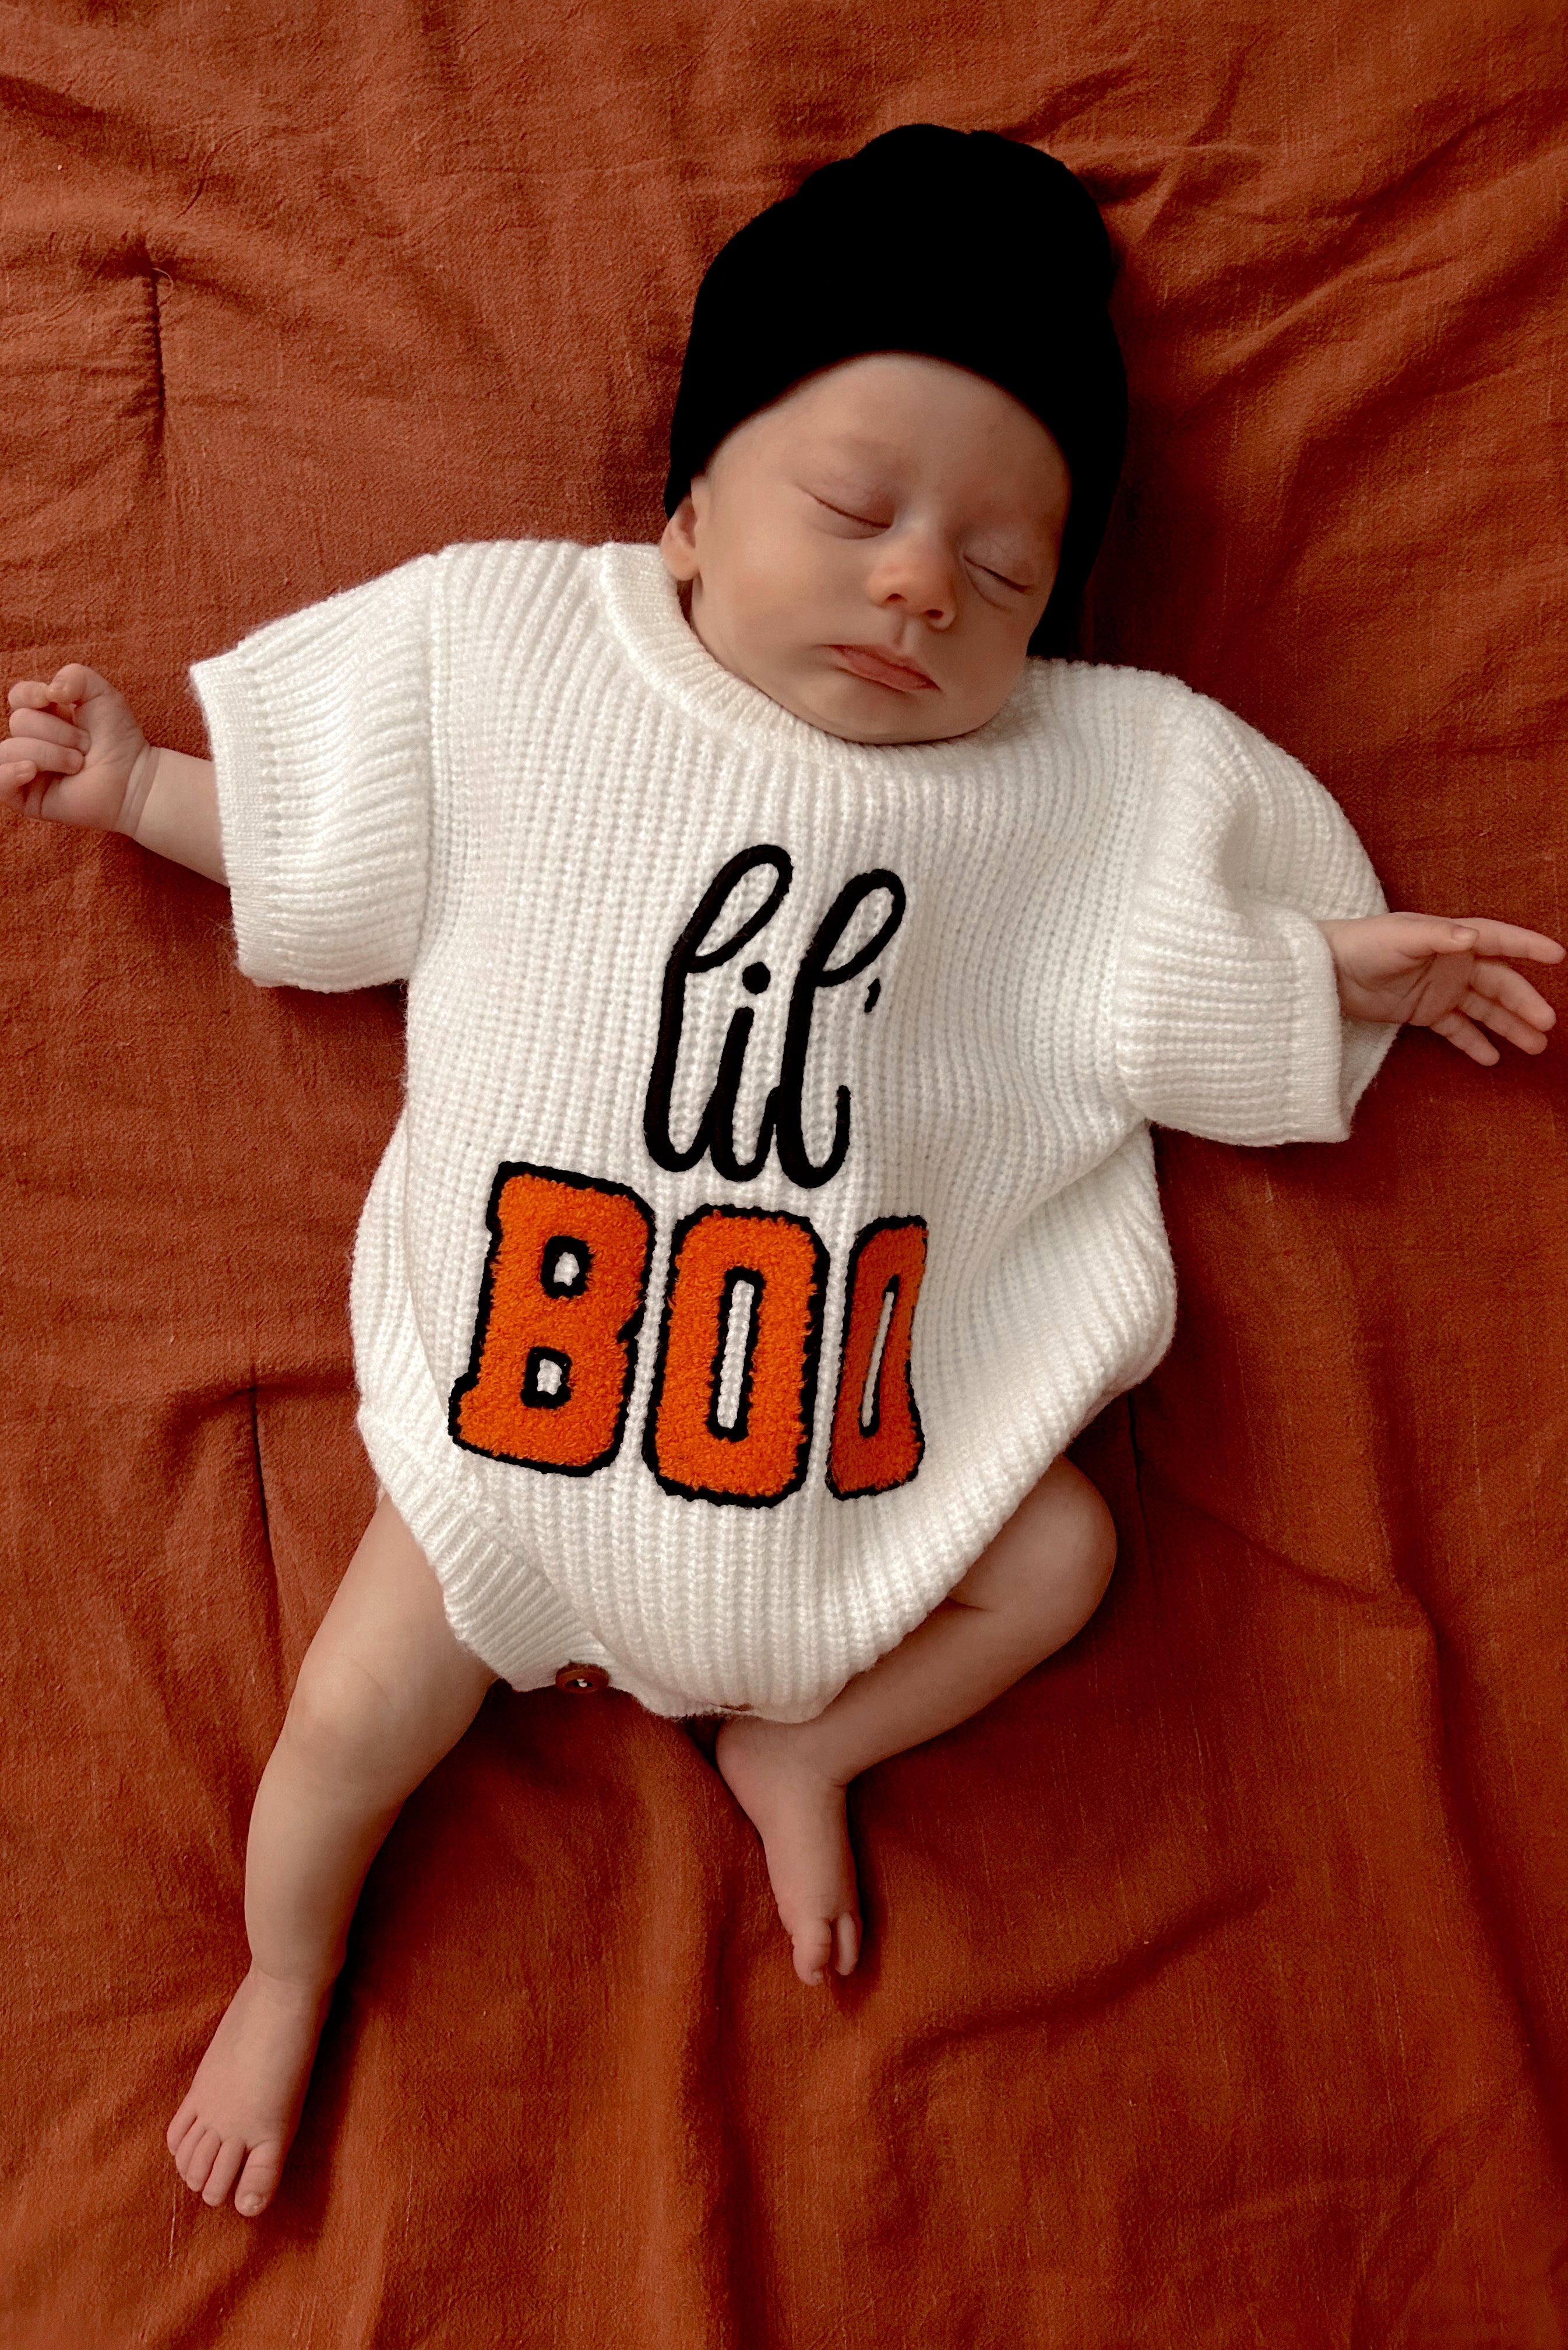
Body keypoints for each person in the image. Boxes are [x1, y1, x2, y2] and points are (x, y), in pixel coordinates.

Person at [3, 126, 1559, 2223]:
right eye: (852, 511)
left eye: (1004, 573)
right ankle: (287, 1970)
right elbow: (343, 847)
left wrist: (1327, 974)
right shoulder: (532, 668)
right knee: (350, 1721)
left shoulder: (1052, 790)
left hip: (845, 1456)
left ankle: (805, 1747)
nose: (923, 578)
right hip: (512, 1451)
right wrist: (145, 788)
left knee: (1063, 1562)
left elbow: (1151, 990)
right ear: (682, 514)